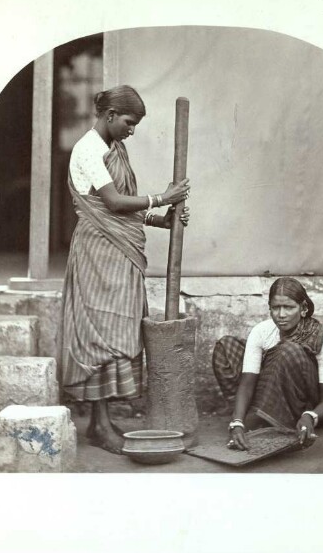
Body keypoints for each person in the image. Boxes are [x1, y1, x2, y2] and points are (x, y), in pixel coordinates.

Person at [60, 85, 190, 454]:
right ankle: (99, 424)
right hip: (98, 251)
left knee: (121, 328)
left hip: (121, 251)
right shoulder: (87, 149)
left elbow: (125, 208)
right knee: (100, 332)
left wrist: (159, 218)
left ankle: (104, 421)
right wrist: (163, 197)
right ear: (111, 114)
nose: (132, 130)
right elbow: (113, 202)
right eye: (130, 123)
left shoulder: (115, 148)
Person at [212, 277, 323, 450]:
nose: (281, 314)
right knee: (226, 348)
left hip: (304, 400)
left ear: (303, 309)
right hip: (267, 388)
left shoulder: (320, 337)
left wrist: (310, 416)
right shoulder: (262, 331)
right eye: (275, 308)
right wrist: (237, 421)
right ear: (269, 308)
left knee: (287, 351)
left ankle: (272, 419)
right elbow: (247, 382)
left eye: (289, 307)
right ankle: (249, 416)